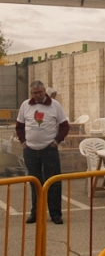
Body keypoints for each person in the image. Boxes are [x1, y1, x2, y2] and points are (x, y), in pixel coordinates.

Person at [15, 80, 70, 224]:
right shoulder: (25, 105)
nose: (38, 95)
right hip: (30, 150)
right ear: (31, 93)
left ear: (44, 91)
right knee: (35, 182)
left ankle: (55, 213)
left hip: (49, 149)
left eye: (40, 92)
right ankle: (36, 213)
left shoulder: (54, 105)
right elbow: (19, 126)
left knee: (53, 182)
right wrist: (23, 142)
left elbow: (64, 126)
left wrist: (56, 141)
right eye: (35, 93)